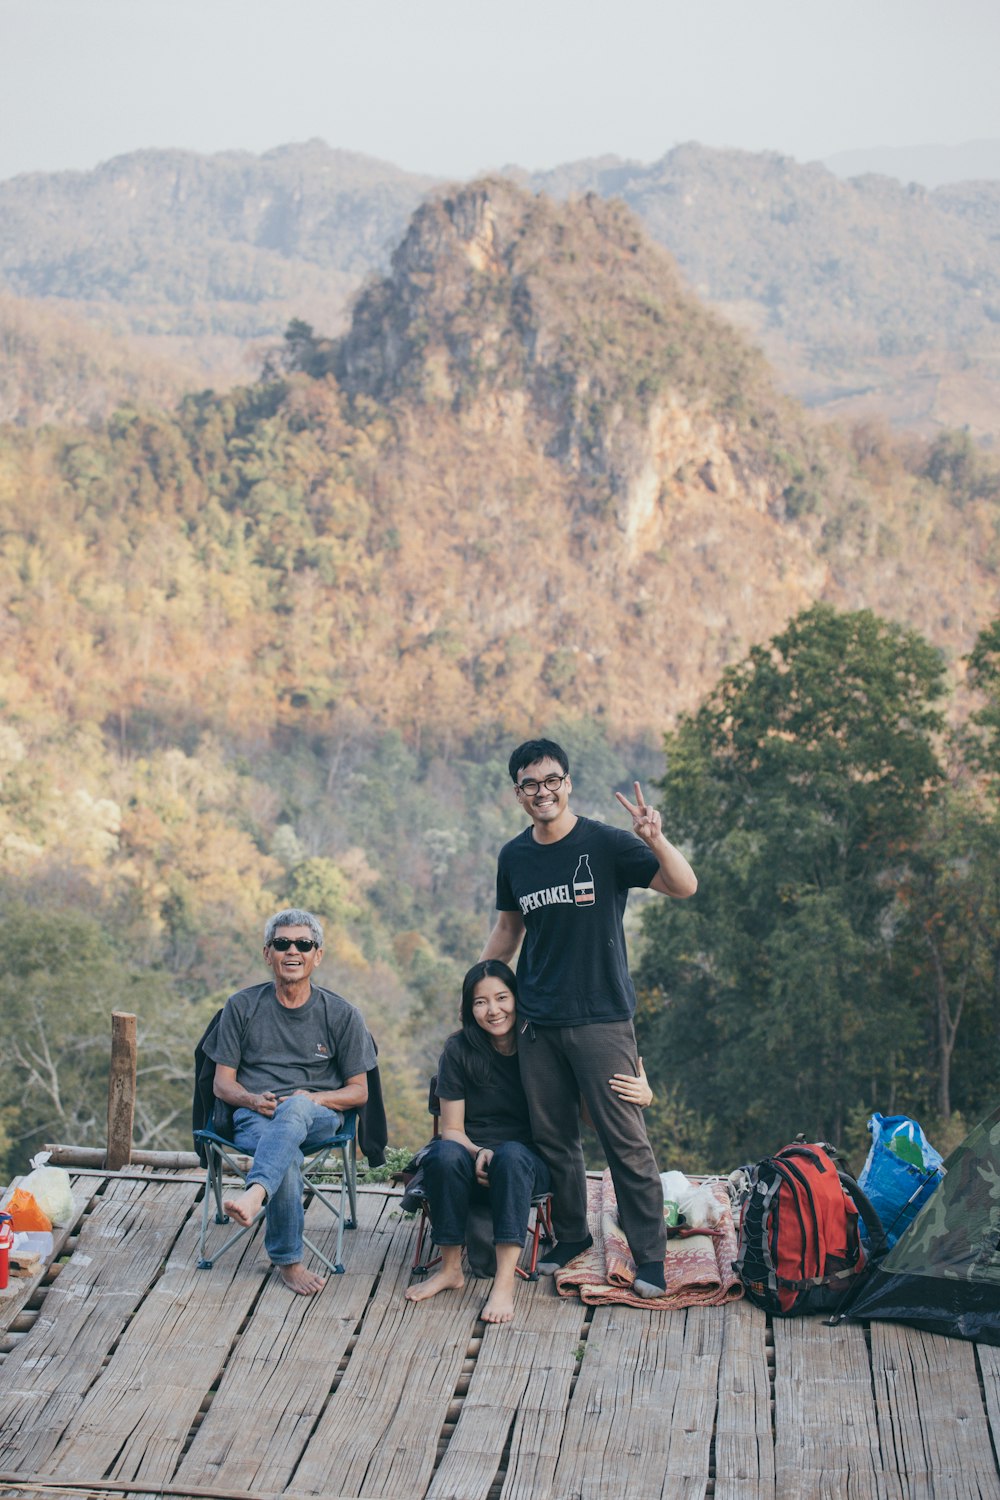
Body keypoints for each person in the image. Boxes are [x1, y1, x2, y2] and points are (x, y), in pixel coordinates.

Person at [481, 738, 697, 1299]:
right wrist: (479, 989)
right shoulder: (515, 857)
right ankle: (572, 1236)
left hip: (601, 1016)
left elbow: (683, 886)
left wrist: (655, 838)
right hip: (536, 1019)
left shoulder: (605, 844)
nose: (542, 792)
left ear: (568, 783)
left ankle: (650, 1257)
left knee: (624, 1138)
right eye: (531, 784)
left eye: (552, 780)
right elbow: (509, 931)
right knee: (554, 1137)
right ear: (518, 793)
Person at [208, 907, 376, 1296]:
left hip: (316, 1117)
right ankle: (289, 1261)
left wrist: (313, 1097)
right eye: (282, 944)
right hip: (256, 1117)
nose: (292, 951)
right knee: (286, 1155)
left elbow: (359, 1092)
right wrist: (251, 1099)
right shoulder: (241, 1007)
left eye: (304, 944)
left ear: (318, 954)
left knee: (298, 1106)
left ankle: (254, 1194)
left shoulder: (342, 1014)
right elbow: (221, 1085)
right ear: (268, 953)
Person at [404, 960, 553, 1324]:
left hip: (526, 1163)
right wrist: (479, 1152)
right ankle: (451, 1269)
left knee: (513, 1156)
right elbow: (451, 1129)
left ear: (517, 999)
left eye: (502, 998)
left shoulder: (538, 1045)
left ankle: (504, 1284)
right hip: (469, 1155)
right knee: (442, 1154)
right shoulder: (459, 1050)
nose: (493, 1010)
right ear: (470, 1009)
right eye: (481, 1002)